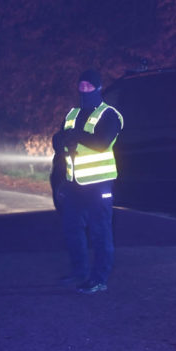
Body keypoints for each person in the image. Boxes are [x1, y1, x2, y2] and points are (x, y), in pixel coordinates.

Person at [51, 69, 123, 294]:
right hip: (74, 184)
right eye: (81, 86)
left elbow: (101, 142)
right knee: (72, 229)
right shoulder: (73, 113)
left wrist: (74, 137)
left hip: (99, 184)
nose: (84, 90)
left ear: (98, 87)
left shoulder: (110, 114)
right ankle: (79, 272)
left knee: (100, 232)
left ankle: (99, 279)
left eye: (88, 86)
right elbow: (58, 139)